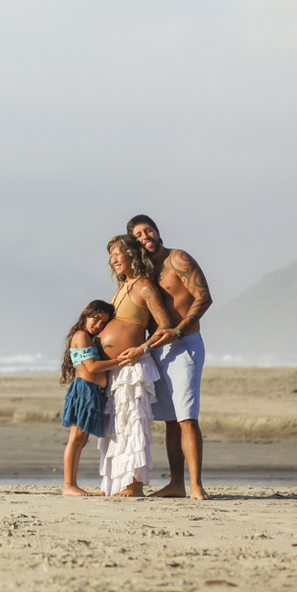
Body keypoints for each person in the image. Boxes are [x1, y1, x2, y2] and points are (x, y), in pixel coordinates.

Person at [124, 214, 213, 500]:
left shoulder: (178, 259)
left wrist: (179, 329)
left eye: (148, 230)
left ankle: (196, 486)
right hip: (157, 349)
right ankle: (177, 483)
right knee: (171, 420)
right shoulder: (144, 271)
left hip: (185, 343)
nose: (145, 236)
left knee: (187, 417)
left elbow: (203, 298)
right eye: (138, 235)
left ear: (157, 231)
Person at [96, 234, 177, 497]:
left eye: (117, 254)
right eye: (111, 256)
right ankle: (117, 484)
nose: (113, 260)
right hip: (115, 368)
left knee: (133, 423)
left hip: (134, 367)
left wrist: (141, 349)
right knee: (116, 426)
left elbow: (164, 325)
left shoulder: (144, 286)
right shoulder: (122, 286)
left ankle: (135, 484)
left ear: (131, 254)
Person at [59, 299, 121, 496]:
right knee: (76, 439)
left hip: (93, 392)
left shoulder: (89, 337)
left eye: (103, 323)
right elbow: (92, 367)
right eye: (95, 319)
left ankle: (71, 484)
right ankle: (68, 485)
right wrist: (121, 360)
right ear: (86, 312)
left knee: (81, 440)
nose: (98, 325)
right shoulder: (81, 336)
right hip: (85, 390)